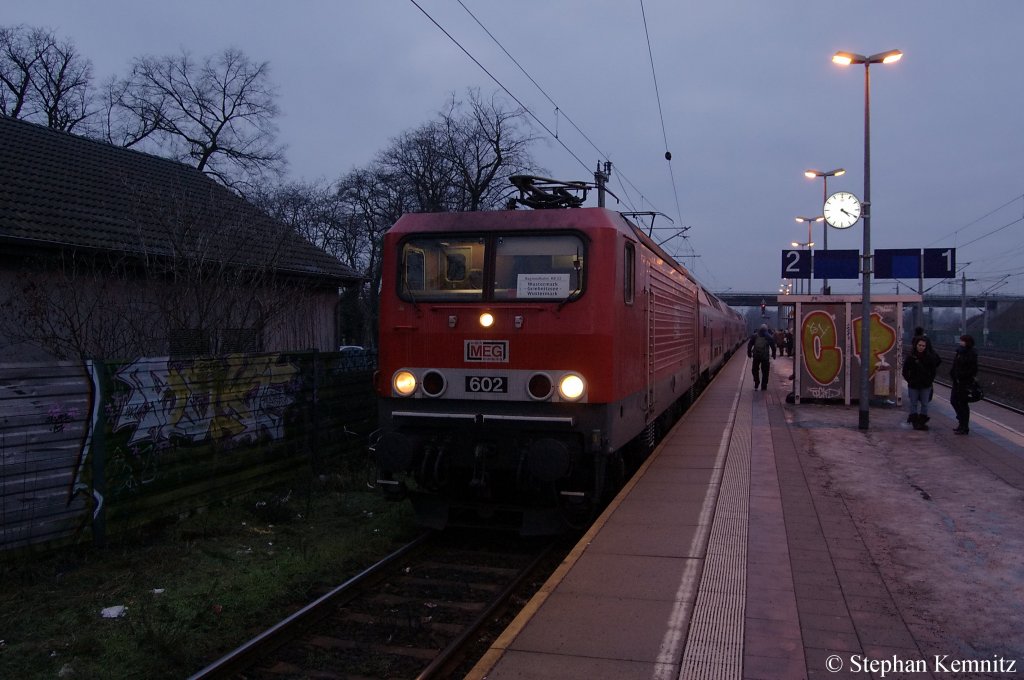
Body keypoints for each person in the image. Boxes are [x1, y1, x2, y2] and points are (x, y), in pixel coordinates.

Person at [902, 336, 941, 430]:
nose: (921, 347)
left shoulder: (929, 358)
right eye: (919, 345)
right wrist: (909, 380)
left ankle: (922, 421)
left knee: (925, 403)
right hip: (913, 384)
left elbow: (933, 371)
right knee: (913, 403)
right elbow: (905, 370)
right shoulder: (911, 357)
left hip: (925, 384)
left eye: (923, 346)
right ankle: (915, 421)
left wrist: (929, 380)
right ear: (916, 345)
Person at [949, 334, 978, 435]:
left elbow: (973, 369)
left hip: (965, 383)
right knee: (953, 401)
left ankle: (964, 426)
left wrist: (961, 376)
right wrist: (953, 374)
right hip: (956, 382)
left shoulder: (971, 354)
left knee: (963, 404)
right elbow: (955, 365)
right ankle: (961, 421)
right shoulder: (959, 352)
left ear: (967, 342)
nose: (960, 342)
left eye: (962, 341)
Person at [747, 324, 777, 391]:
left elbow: (749, 345)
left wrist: (749, 353)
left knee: (754, 370)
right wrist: (774, 354)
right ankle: (764, 385)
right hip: (765, 357)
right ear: (766, 330)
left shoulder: (754, 335)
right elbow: (773, 347)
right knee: (765, 372)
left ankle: (756, 382)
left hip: (756, 356)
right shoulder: (769, 337)